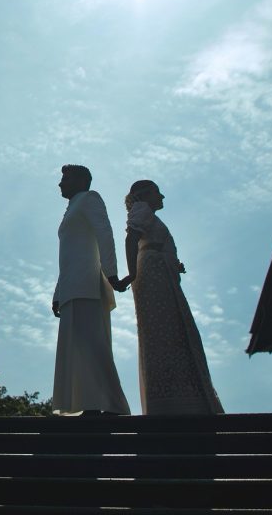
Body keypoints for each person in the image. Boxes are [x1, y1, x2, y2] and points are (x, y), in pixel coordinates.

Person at [119, 180, 223, 416]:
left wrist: (173, 264)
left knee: (170, 330)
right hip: (153, 274)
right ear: (144, 195)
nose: (162, 196)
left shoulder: (149, 216)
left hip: (160, 272)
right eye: (157, 192)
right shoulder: (142, 209)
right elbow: (131, 238)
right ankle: (174, 400)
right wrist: (132, 273)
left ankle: (181, 396)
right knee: (165, 331)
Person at [50, 164, 131, 416]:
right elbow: (69, 255)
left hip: (87, 284)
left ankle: (112, 406)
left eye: (65, 178)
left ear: (81, 180)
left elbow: (104, 234)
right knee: (77, 347)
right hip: (71, 286)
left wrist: (111, 274)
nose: (60, 183)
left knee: (93, 345)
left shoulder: (89, 199)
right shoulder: (71, 208)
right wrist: (58, 292)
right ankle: (89, 405)